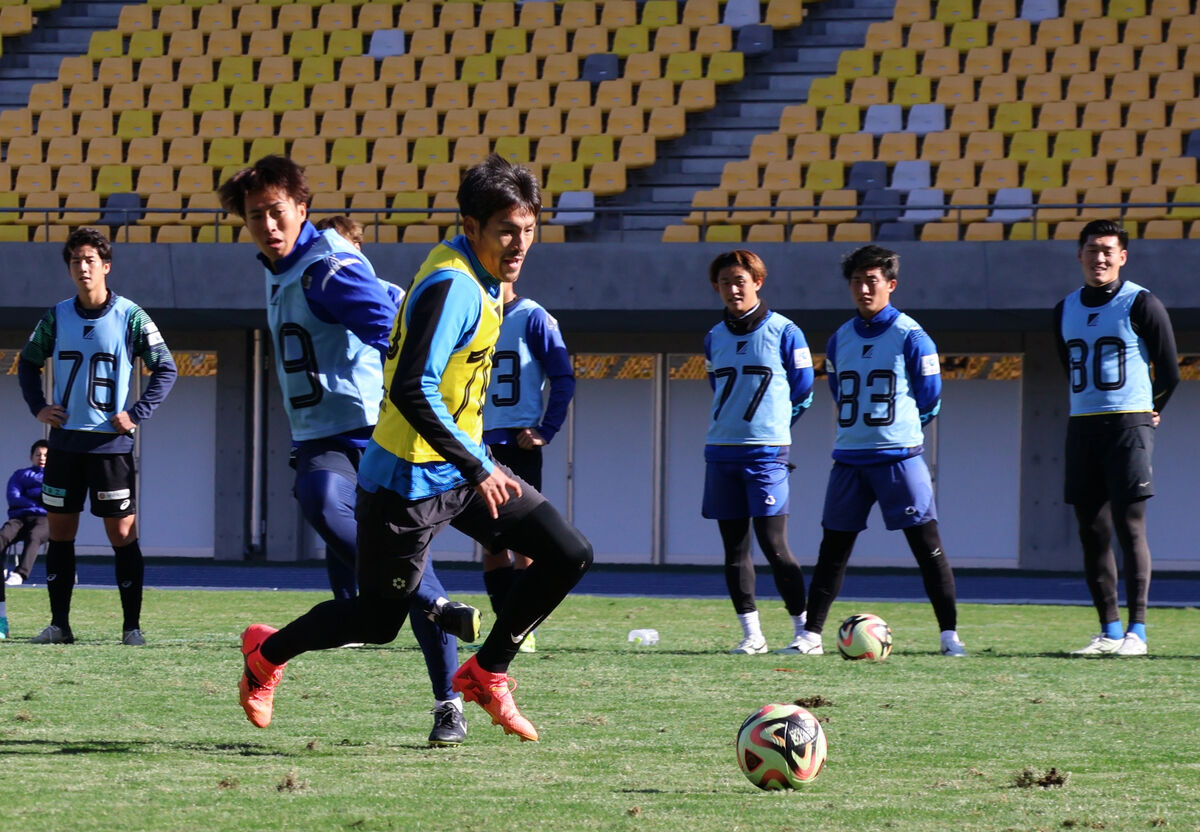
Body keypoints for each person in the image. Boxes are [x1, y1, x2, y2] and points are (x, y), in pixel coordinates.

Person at [233, 154, 593, 744]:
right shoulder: (454, 285)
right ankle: (266, 654)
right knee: (375, 622)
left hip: (456, 469)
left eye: (528, 230)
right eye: (507, 230)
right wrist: (477, 463)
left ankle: (486, 671)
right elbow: (409, 384)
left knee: (569, 553)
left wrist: (473, 462)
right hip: (404, 483)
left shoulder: (481, 276)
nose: (520, 243)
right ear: (472, 226)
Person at [217, 163, 482, 747]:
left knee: (395, 581)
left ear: (302, 207)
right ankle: (444, 648)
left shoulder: (325, 269)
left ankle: (446, 699)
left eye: (276, 210)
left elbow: (392, 328)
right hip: (324, 441)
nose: (265, 223)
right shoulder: (285, 265)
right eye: (254, 214)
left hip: (379, 438)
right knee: (350, 528)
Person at [792, 245, 966, 657]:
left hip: (899, 458)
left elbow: (930, 398)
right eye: (857, 281)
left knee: (927, 546)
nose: (864, 288)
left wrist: (897, 434)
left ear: (891, 284)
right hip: (850, 458)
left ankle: (949, 636)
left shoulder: (912, 335)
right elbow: (835, 390)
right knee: (832, 549)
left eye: (872, 280)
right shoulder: (839, 339)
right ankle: (810, 636)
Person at [17, 227, 178, 646]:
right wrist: (38, 407)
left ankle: (131, 629)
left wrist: (137, 413)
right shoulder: (56, 316)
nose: (83, 268)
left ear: (106, 266)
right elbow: (27, 362)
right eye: (75, 261)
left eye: (90, 260)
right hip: (65, 444)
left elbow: (167, 367)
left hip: (110, 447)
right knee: (60, 534)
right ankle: (59, 626)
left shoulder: (131, 315)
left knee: (123, 535)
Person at [1056, 220, 1179, 657]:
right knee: (1091, 529)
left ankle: (1137, 632)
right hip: (1083, 425)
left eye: (1108, 250)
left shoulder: (1141, 302)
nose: (1100, 258)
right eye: (1092, 250)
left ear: (1123, 256)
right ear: (1080, 255)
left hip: (1128, 425)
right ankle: (1108, 630)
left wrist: (1152, 408)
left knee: (1130, 527)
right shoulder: (1065, 308)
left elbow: (1169, 369)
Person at [700, 250, 814, 655]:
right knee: (734, 549)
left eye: (741, 281)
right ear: (717, 287)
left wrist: (774, 431)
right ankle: (752, 635)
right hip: (721, 451)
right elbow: (719, 390)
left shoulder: (785, 331)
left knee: (774, 545)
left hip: (766, 454)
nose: (733, 289)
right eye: (726, 282)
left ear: (758, 283)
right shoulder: (714, 336)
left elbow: (803, 393)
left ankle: (805, 632)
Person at [479, 271, 576, 653]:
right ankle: (504, 623)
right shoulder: (472, 314)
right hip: (478, 447)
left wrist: (545, 429)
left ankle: (521, 628)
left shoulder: (533, 316)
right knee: (489, 543)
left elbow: (563, 377)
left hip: (517, 445)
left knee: (526, 542)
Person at [3, 439, 50, 587]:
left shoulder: (57, 476)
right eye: (38, 454)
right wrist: (38, 499)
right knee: (3, 534)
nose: (42, 458)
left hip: (45, 518)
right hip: (20, 517)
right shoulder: (20, 475)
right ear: (31, 457)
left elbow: (53, 499)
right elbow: (14, 497)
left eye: (46, 455)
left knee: (34, 535)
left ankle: (20, 574)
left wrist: (30, 493)